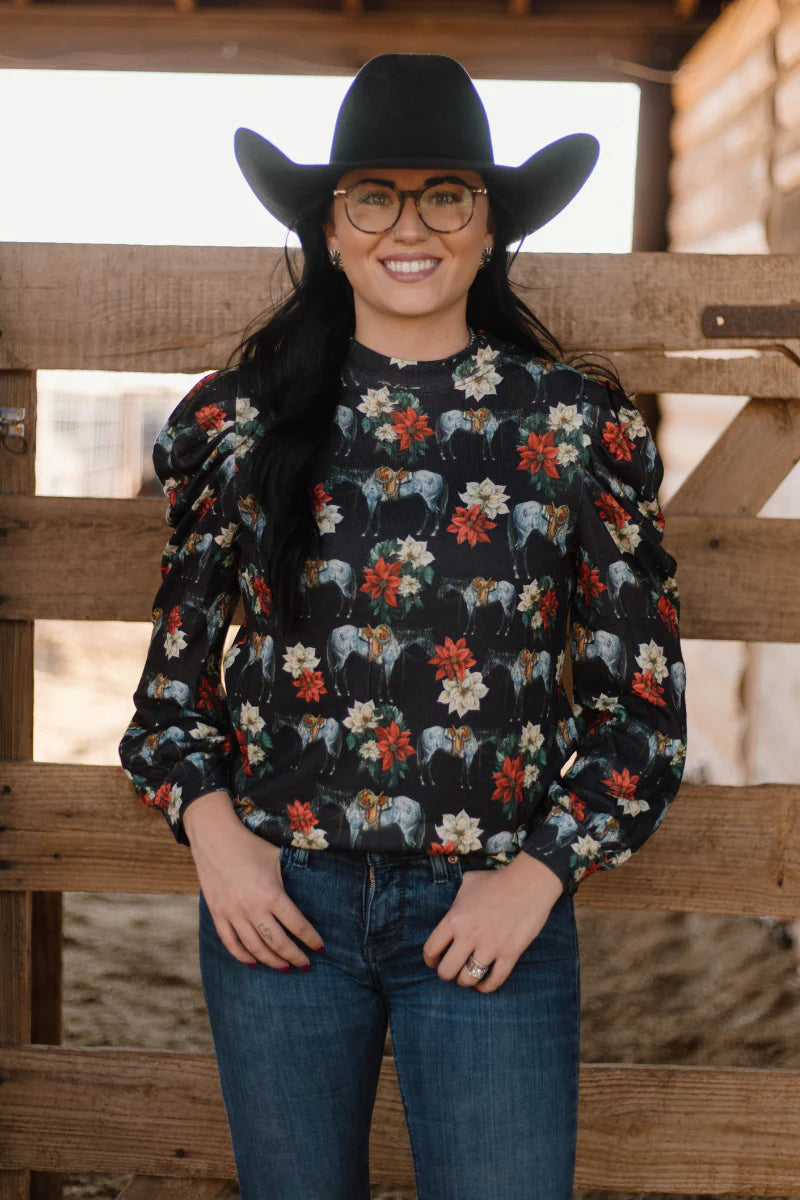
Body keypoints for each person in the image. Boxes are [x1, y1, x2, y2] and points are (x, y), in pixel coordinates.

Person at [119, 53, 687, 1200]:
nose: (408, 226)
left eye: (444, 196)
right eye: (373, 196)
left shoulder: (571, 429)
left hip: (490, 906)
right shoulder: (240, 424)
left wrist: (536, 875)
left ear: (489, 228)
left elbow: (638, 713)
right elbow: (170, 703)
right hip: (280, 907)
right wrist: (221, 845)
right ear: (330, 229)